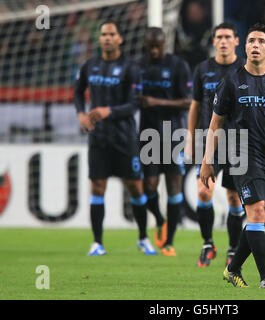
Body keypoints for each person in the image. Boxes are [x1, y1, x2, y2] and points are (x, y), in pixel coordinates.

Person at [200, 23, 265, 289]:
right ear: (245, 47)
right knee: (255, 213)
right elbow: (214, 126)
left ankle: (232, 270)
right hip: (241, 155)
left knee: (262, 219)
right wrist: (207, 162)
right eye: (250, 41)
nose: (254, 45)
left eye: (260, 41)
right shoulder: (231, 82)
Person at [74, 21, 157, 256]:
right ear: (99, 39)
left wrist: (109, 111)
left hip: (125, 137)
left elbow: (135, 103)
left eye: (112, 34)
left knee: (135, 188)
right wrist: (81, 113)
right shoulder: (90, 65)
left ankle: (143, 238)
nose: (107, 38)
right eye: (103, 34)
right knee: (97, 186)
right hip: (99, 138)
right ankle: (97, 242)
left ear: (120, 38)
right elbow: (77, 91)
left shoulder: (130, 68)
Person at [186, 22, 245, 267]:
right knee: (203, 191)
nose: (223, 41)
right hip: (209, 140)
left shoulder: (245, 69)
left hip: (238, 141)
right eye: (218, 37)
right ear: (213, 42)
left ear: (236, 41)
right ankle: (208, 243)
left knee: (233, 197)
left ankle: (233, 249)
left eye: (227, 37)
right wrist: (190, 137)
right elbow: (195, 105)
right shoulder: (203, 69)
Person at [137, 27, 192, 256]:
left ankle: (168, 241)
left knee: (173, 186)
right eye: (151, 46)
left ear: (164, 43)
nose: (155, 50)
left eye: (158, 45)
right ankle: (160, 219)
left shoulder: (178, 65)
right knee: (148, 187)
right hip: (148, 134)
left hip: (173, 133)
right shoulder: (138, 66)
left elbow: (188, 102)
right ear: (145, 44)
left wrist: (155, 102)